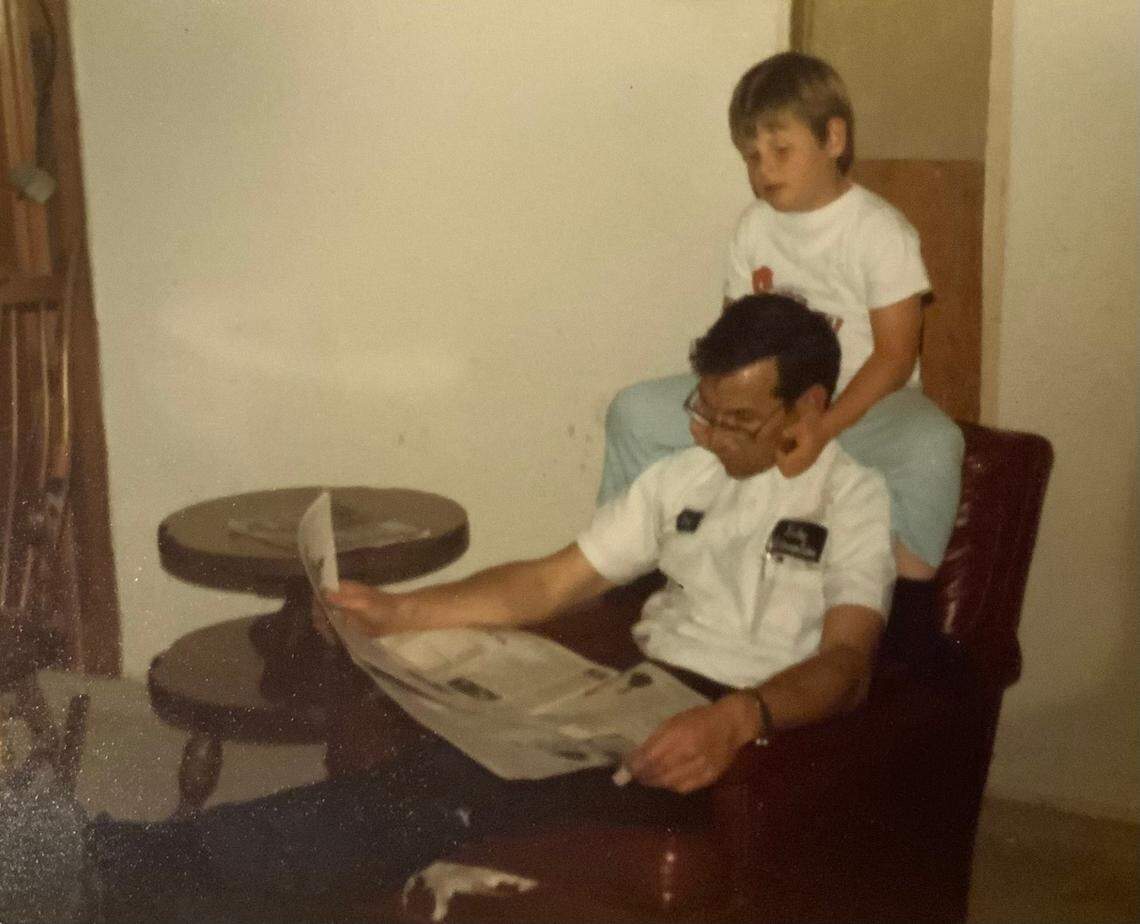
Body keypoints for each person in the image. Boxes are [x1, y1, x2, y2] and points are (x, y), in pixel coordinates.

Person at [1, 296, 894, 923]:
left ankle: (109, 866)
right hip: (623, 698)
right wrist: (401, 612)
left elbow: (848, 666)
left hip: (722, 733)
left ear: (806, 409)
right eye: (702, 409)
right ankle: (118, 869)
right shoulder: (684, 477)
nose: (707, 434)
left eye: (733, 420)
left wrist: (741, 718)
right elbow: (549, 584)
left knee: (425, 799)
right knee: (417, 767)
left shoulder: (854, 504)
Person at [598, 51, 964, 581]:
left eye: (780, 149)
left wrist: (825, 425)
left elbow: (895, 356)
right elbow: (735, 341)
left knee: (935, 442)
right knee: (633, 411)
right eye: (750, 156)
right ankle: (623, 549)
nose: (763, 169)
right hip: (770, 403)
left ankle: (899, 562)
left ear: (833, 140)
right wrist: (714, 409)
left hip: (867, 404)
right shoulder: (753, 228)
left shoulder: (880, 232)